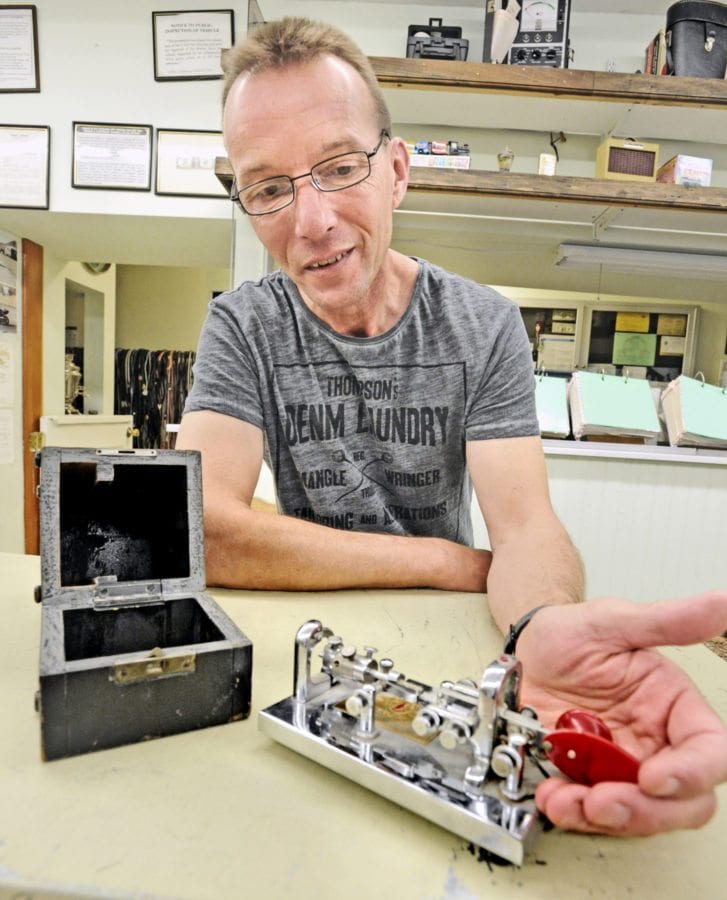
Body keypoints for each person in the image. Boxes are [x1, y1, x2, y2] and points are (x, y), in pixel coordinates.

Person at [176, 17, 727, 838]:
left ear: (397, 170)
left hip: (455, 637)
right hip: (319, 634)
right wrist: (443, 558)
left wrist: (540, 622)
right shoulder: (243, 325)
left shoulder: (481, 325)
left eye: (339, 167)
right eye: (267, 187)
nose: (311, 221)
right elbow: (201, 531)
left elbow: (526, 525)